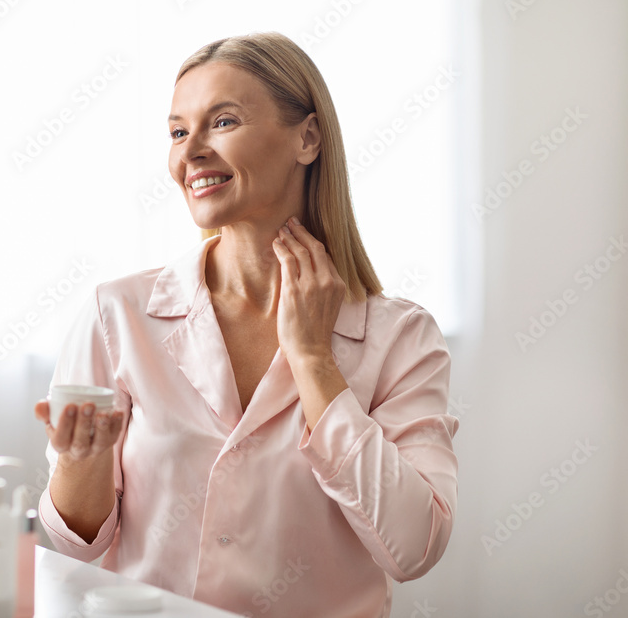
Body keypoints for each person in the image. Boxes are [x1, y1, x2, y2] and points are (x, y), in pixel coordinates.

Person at [33, 31, 459, 618]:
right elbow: (75, 546)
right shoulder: (119, 315)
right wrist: (80, 460)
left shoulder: (400, 338)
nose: (191, 152)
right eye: (179, 132)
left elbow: (414, 548)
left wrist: (314, 362)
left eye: (223, 122)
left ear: (307, 137)